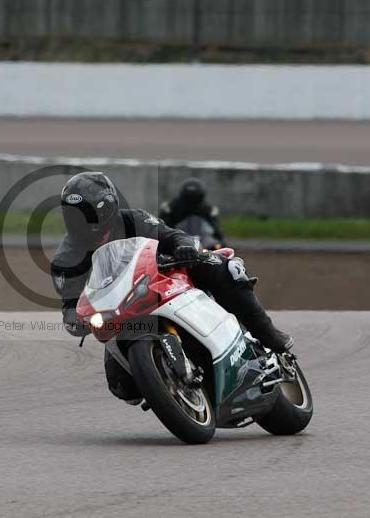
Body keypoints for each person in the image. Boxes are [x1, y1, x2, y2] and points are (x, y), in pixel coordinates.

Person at [50, 171, 293, 403]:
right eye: (72, 214)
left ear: (107, 209)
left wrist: (184, 247)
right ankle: (168, 384)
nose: (79, 221)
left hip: (163, 278)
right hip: (122, 316)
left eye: (85, 213)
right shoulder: (65, 261)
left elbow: (174, 235)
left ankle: (266, 332)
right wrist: (81, 321)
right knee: (123, 386)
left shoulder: (134, 219)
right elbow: (70, 308)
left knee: (225, 268)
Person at [159, 177, 226, 247]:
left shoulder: (208, 209)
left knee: (220, 248)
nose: (191, 204)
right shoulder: (171, 207)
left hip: (203, 242)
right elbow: (163, 228)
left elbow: (215, 227)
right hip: (178, 241)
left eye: (194, 200)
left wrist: (219, 241)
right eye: (189, 200)